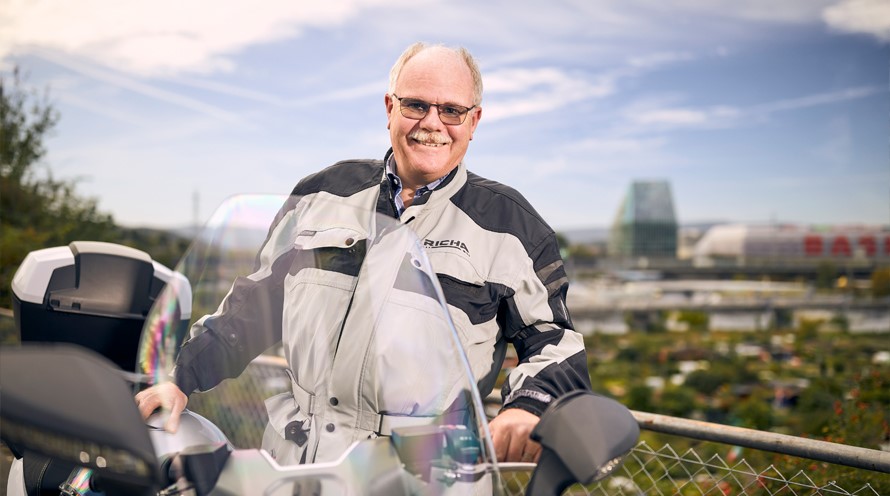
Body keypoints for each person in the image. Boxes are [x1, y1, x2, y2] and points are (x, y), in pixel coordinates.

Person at [136, 41, 591, 464]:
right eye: (416, 104)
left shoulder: (511, 225)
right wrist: (179, 379)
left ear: (473, 122)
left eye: (452, 110)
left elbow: (555, 341)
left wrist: (528, 408)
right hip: (297, 469)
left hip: (422, 477)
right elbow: (253, 307)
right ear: (390, 108)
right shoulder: (320, 195)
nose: (432, 123)